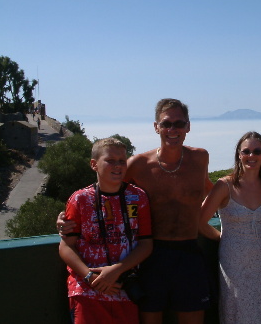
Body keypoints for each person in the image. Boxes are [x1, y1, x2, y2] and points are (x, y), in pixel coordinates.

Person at [58, 99, 213, 324]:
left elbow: (209, 189)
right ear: (156, 127)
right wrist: (65, 218)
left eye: (179, 124)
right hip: (151, 256)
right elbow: (101, 190)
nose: (172, 130)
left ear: (188, 126)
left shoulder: (200, 158)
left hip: (189, 252)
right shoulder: (139, 164)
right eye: (166, 123)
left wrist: (249, 208)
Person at [200, 131, 261, 324]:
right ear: (239, 155)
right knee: (237, 311)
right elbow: (199, 221)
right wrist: (221, 237)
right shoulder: (225, 185)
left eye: (256, 151)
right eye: (246, 151)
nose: (251, 156)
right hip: (233, 262)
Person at [59, 138, 153, 324]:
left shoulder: (137, 197)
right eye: (110, 160)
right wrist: (89, 276)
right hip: (86, 292)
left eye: (121, 161)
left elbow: (146, 243)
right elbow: (65, 246)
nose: (117, 166)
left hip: (123, 289)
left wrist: (116, 271)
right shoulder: (80, 200)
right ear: (94, 164)